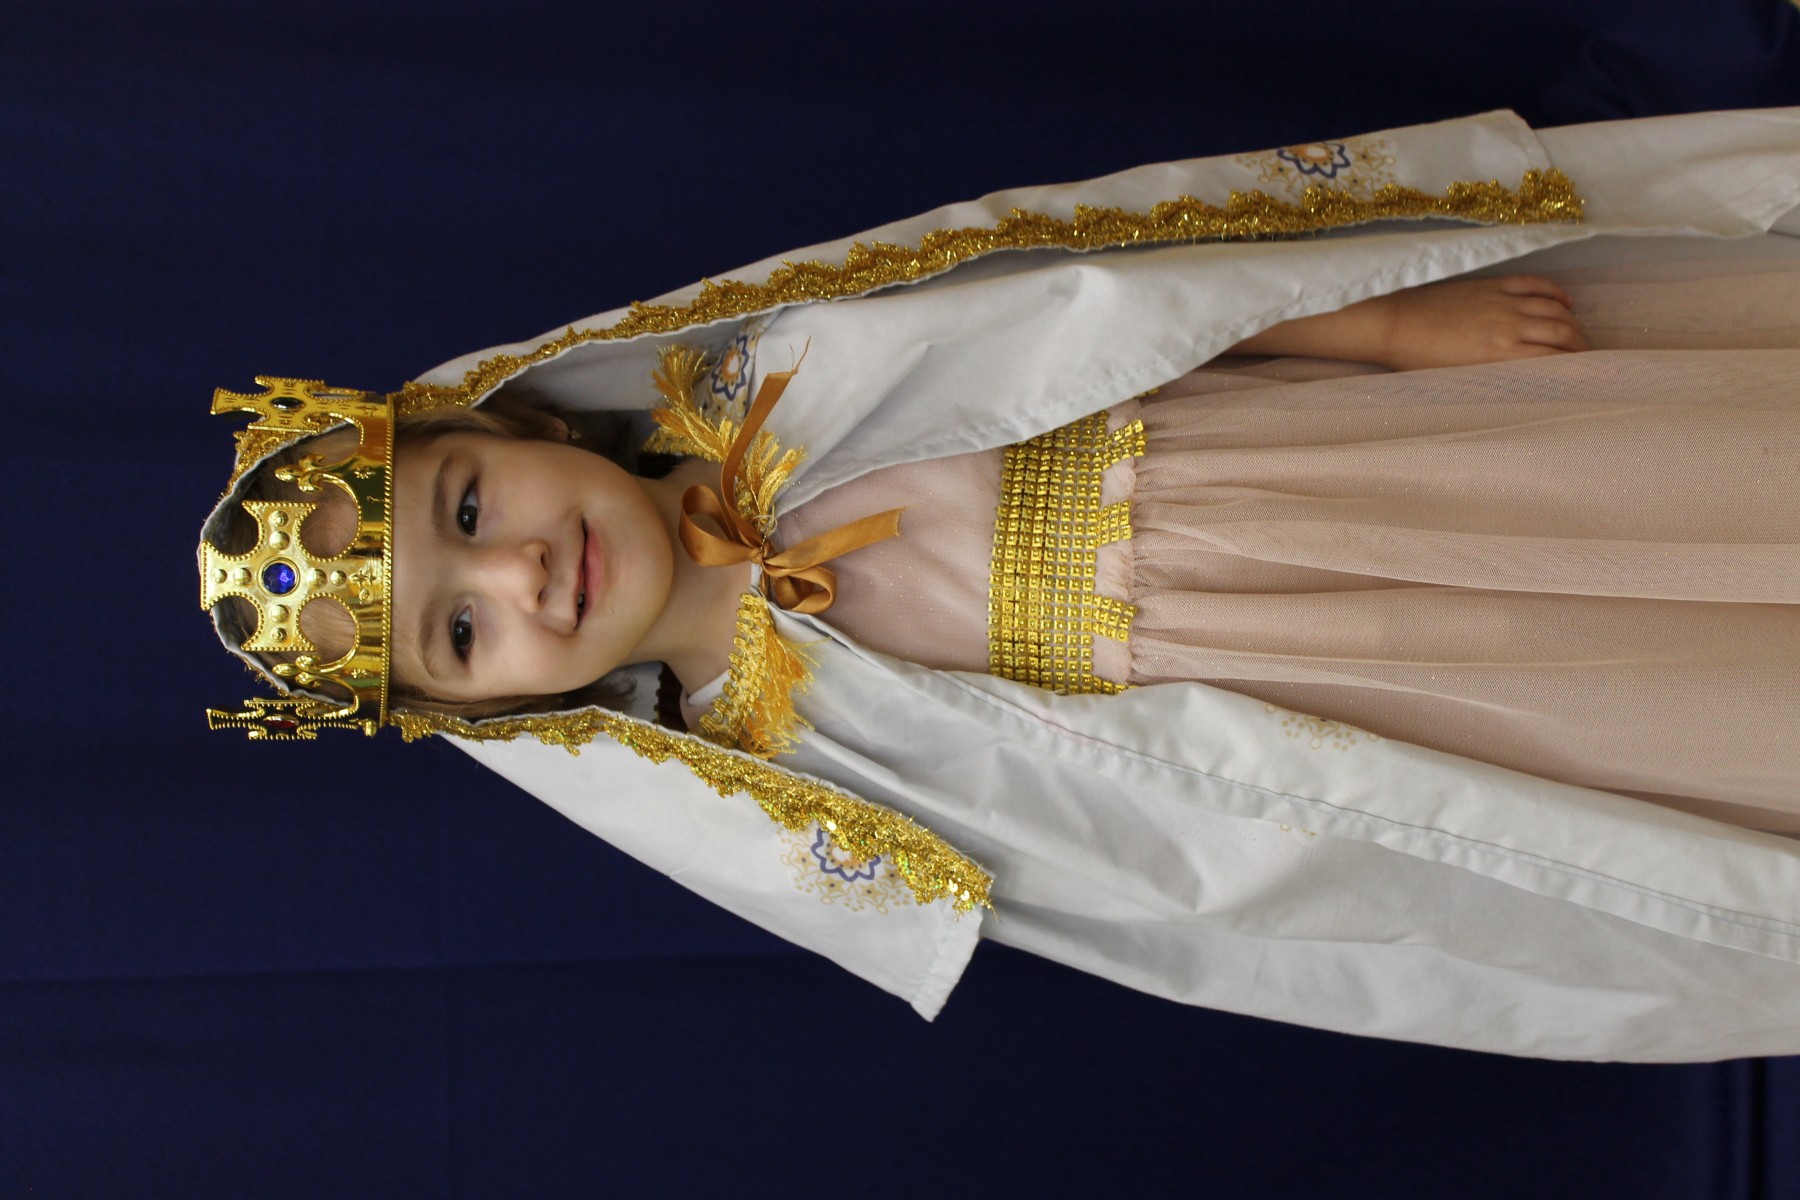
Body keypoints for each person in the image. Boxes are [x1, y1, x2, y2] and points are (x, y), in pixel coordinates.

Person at [199, 106, 1800, 1062]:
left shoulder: (780, 382)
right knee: (1651, 698)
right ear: (496, 716)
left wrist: (1384, 325)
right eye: (461, 627)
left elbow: (1114, 304)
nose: (523, 569)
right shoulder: (791, 780)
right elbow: (1141, 871)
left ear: (507, 423)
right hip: (1337, 694)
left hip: (1338, 461)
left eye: (470, 505)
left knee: (1668, 489)